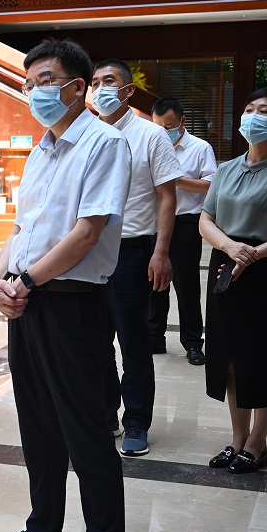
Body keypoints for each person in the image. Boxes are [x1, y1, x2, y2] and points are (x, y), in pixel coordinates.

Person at [0, 38, 130, 532]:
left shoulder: (103, 143)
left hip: (72, 304)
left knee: (87, 433)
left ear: (77, 86)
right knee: (38, 426)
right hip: (30, 300)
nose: (34, 92)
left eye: (45, 80)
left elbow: (87, 232)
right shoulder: (41, 150)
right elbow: (22, 228)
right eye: (28, 83)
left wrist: (26, 281)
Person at [200, 87, 267, 474]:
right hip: (225, 265)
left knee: (260, 358)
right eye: (249, 109)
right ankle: (237, 439)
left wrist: (254, 253)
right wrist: (230, 247)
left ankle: (257, 443)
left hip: (263, 270)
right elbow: (205, 220)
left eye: (263, 110)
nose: (252, 116)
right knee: (229, 358)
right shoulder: (227, 169)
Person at [91, 59, 181, 457]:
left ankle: (137, 422)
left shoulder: (150, 135)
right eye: (95, 82)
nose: (100, 89)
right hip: (88, 251)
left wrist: (161, 252)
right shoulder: (85, 132)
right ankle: (106, 414)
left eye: (108, 81)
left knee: (134, 343)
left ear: (128, 91)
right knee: (95, 342)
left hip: (131, 251)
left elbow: (167, 197)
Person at [148, 98, 218, 364]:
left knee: (186, 286)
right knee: (153, 283)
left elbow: (212, 184)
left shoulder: (200, 148)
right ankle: (154, 338)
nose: (163, 132)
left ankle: (192, 343)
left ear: (182, 121)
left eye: (169, 126)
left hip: (186, 223)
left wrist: (177, 181)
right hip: (153, 223)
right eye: (158, 127)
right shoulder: (150, 146)